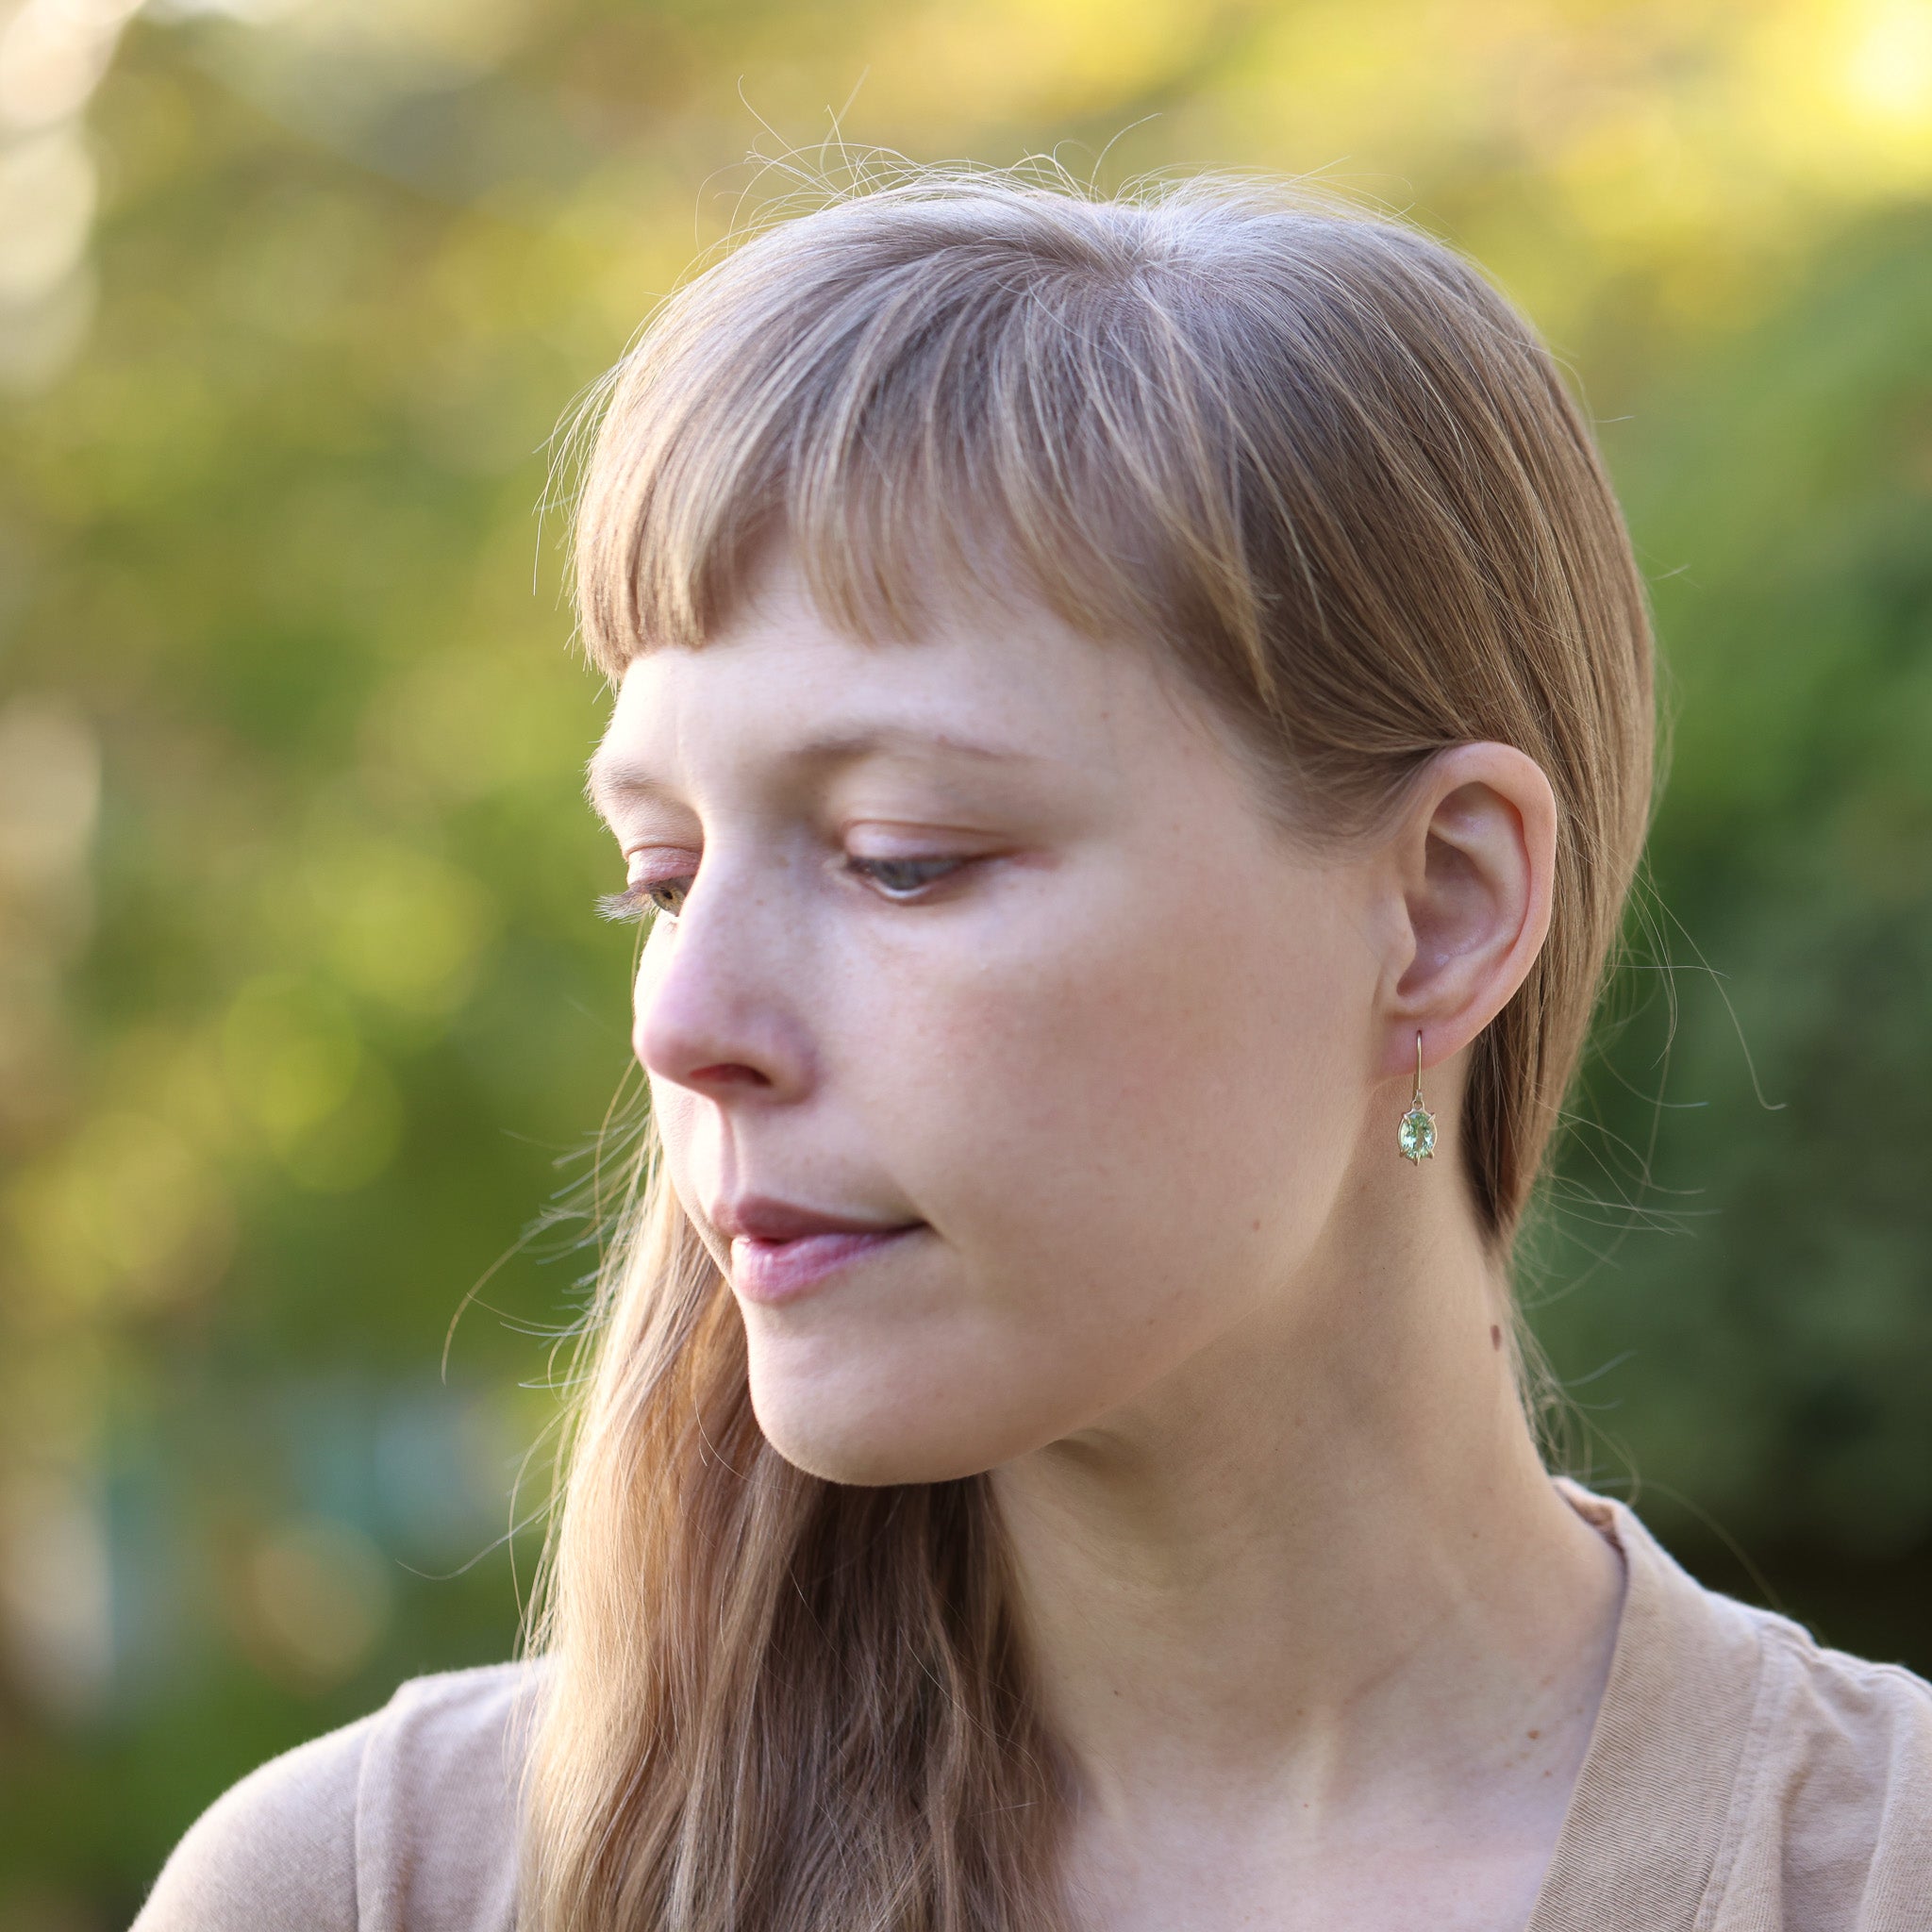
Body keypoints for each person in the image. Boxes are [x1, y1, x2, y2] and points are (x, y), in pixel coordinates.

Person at [130, 168, 1932, 1932]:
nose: (687, 1026)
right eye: (659, 878)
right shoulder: (375, 1892)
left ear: (1446, 905)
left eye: (903, 857)